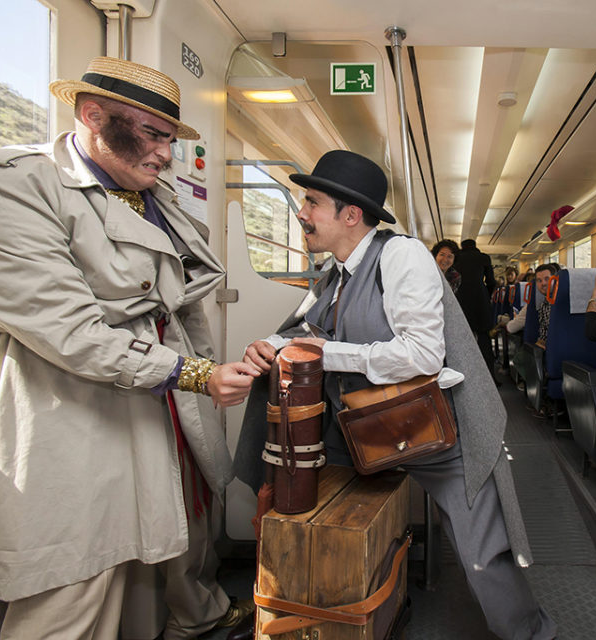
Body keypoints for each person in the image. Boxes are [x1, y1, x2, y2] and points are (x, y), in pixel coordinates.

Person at [0, 57, 260, 639]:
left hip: (149, 389)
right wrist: (195, 374)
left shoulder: (152, 193)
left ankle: (192, 618)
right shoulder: (16, 188)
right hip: (65, 399)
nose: (165, 153)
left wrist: (196, 368)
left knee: (167, 530)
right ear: (92, 115)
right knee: (78, 566)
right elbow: (69, 329)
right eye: (153, 134)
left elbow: (178, 291)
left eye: (170, 139)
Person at [236, 150, 556, 640]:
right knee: (303, 511)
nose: (301, 213)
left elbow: (423, 354)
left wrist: (326, 354)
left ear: (350, 215)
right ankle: (308, 616)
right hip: (356, 427)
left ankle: (530, 634)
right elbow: (306, 327)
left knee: (483, 555)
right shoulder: (336, 272)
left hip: (429, 428)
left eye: (311, 202)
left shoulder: (401, 256)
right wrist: (270, 345)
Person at [453, 237, 496, 374]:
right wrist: (485, 295)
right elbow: (491, 282)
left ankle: (466, 375)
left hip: (460, 301)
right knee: (484, 341)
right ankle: (490, 376)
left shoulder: (457, 258)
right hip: (480, 301)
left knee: (463, 341)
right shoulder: (484, 258)